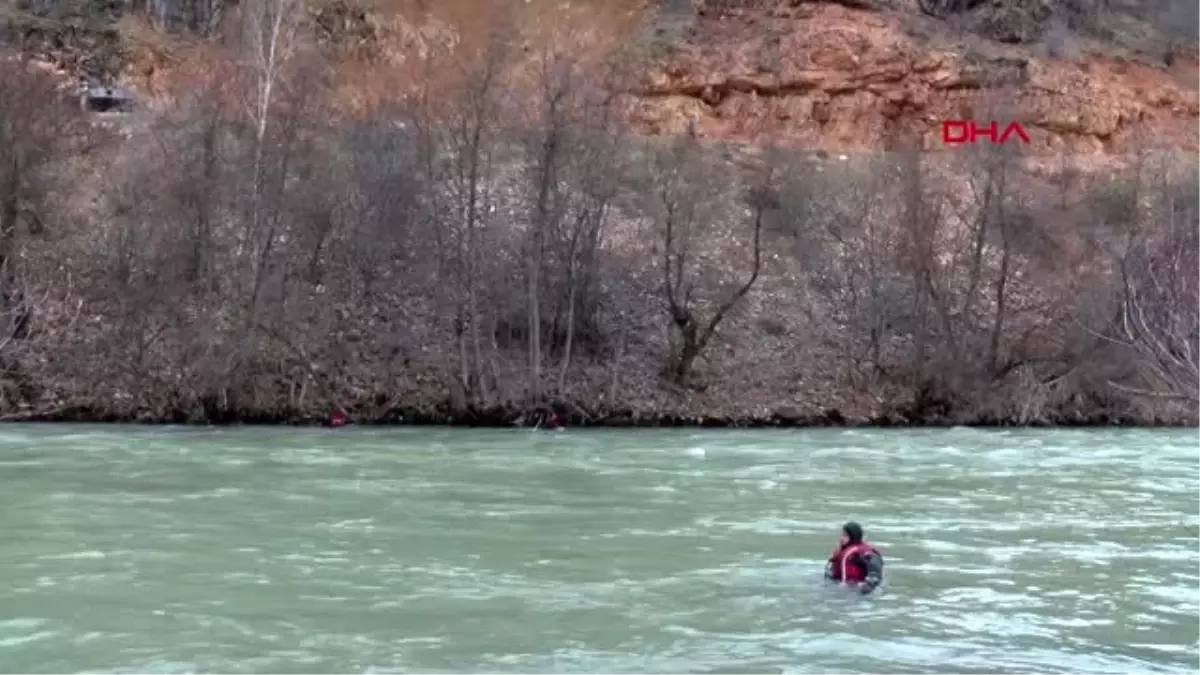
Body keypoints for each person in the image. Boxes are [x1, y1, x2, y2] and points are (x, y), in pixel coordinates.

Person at [825, 521, 883, 594]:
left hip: (857, 591)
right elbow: (830, 571)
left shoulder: (863, 552)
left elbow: (875, 569)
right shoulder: (840, 552)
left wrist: (867, 587)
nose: (841, 538)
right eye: (841, 535)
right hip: (840, 588)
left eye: (845, 535)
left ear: (853, 536)